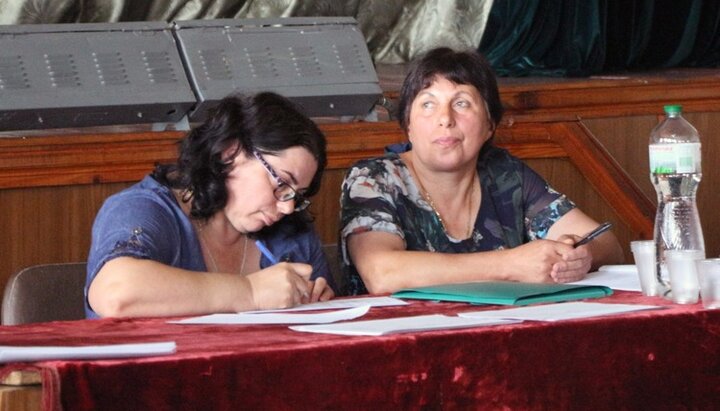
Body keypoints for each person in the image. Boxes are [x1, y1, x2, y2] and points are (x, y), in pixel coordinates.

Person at [340, 47, 624, 295]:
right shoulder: (374, 179)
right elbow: (382, 273)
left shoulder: (505, 175)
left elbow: (608, 244)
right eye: (428, 104)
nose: (445, 119)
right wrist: (510, 265)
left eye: (461, 103)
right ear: (408, 125)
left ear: (489, 124)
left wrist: (580, 256)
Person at [86, 92, 334, 318]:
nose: (287, 208)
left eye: (297, 195)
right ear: (230, 152)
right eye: (282, 183)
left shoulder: (291, 235)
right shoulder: (143, 209)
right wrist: (251, 291)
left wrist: (320, 304)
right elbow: (115, 293)